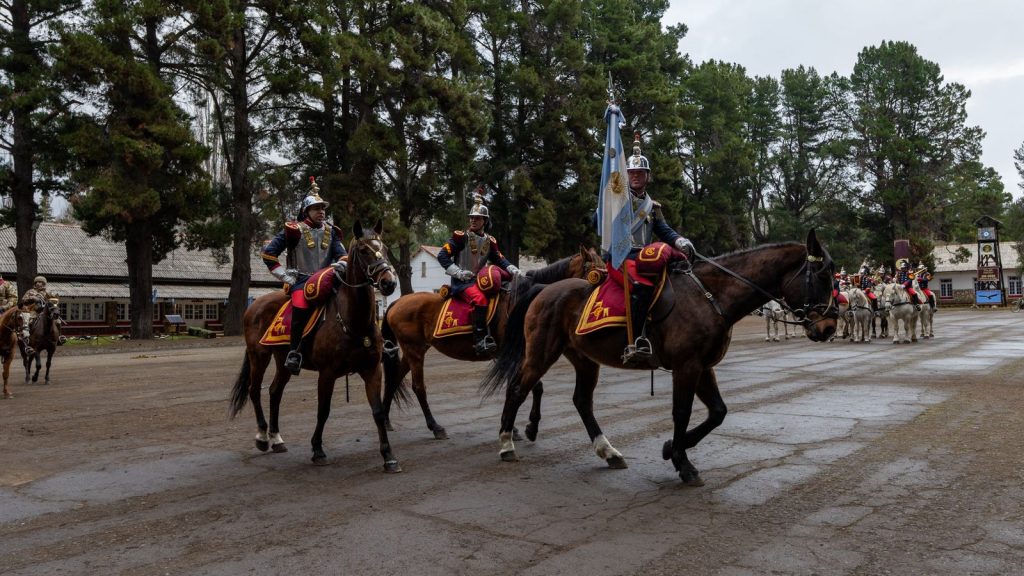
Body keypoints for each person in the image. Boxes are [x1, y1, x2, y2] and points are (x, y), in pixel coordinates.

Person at [612, 133, 694, 366]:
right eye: (632, 173)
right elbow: (598, 221)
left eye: (640, 173)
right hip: (620, 257)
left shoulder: (652, 206)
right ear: (626, 175)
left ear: (648, 176)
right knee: (642, 287)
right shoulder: (615, 202)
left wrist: (680, 241)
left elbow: (664, 230)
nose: (636, 176)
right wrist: (604, 207)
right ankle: (634, 341)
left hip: (645, 258)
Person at [261, 177, 348, 375]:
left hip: (328, 278)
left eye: (323, 208)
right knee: (300, 308)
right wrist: (284, 275)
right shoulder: (293, 230)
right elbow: (269, 254)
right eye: (316, 208)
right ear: (306, 210)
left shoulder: (332, 232)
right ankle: (294, 352)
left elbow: (342, 254)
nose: (321, 211)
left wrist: (342, 263)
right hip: (301, 280)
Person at [437, 191, 521, 355]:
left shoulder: (490, 241)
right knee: (480, 299)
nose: (473, 220)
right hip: (462, 283)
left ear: (485, 221)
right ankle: (480, 339)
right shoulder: (460, 237)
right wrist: (458, 273)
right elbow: (442, 256)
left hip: (481, 281)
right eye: (471, 218)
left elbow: (500, 259)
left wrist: (512, 268)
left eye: (477, 218)